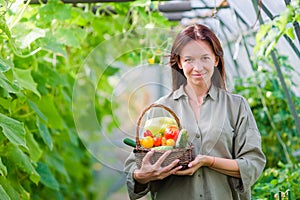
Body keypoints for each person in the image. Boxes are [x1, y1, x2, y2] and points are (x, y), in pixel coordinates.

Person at [124, 24, 266, 200]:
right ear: (179, 63)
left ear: (216, 59)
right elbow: (133, 168)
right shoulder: (161, 109)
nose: (197, 67)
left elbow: (253, 163)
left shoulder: (236, 106)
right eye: (189, 60)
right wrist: (141, 175)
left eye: (205, 58)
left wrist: (208, 161)